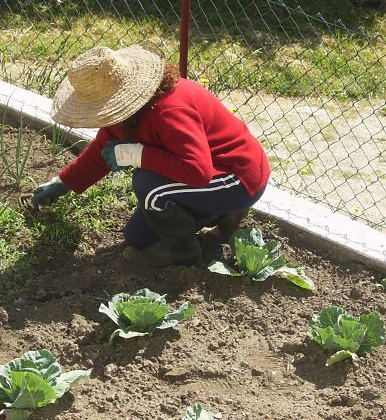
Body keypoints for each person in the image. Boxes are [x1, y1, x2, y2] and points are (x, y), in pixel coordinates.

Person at [24, 41, 271, 267]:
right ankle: (220, 214)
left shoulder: (168, 111)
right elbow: (104, 146)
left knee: (149, 185)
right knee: (137, 237)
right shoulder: (130, 107)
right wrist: (62, 183)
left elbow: (198, 172)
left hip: (237, 177)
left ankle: (183, 250)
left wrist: (137, 155)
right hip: (213, 175)